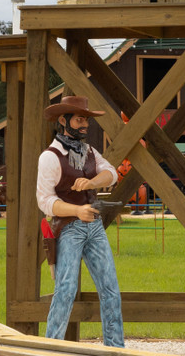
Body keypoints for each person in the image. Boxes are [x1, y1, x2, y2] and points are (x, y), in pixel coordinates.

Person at [36, 95, 123, 347]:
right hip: (68, 229)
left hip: (94, 227)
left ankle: (115, 348)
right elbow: (45, 201)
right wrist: (76, 211)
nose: (85, 124)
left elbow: (112, 174)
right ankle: (52, 348)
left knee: (110, 289)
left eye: (86, 119)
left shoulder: (90, 152)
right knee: (65, 289)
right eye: (79, 119)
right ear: (64, 121)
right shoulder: (50, 157)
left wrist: (92, 182)